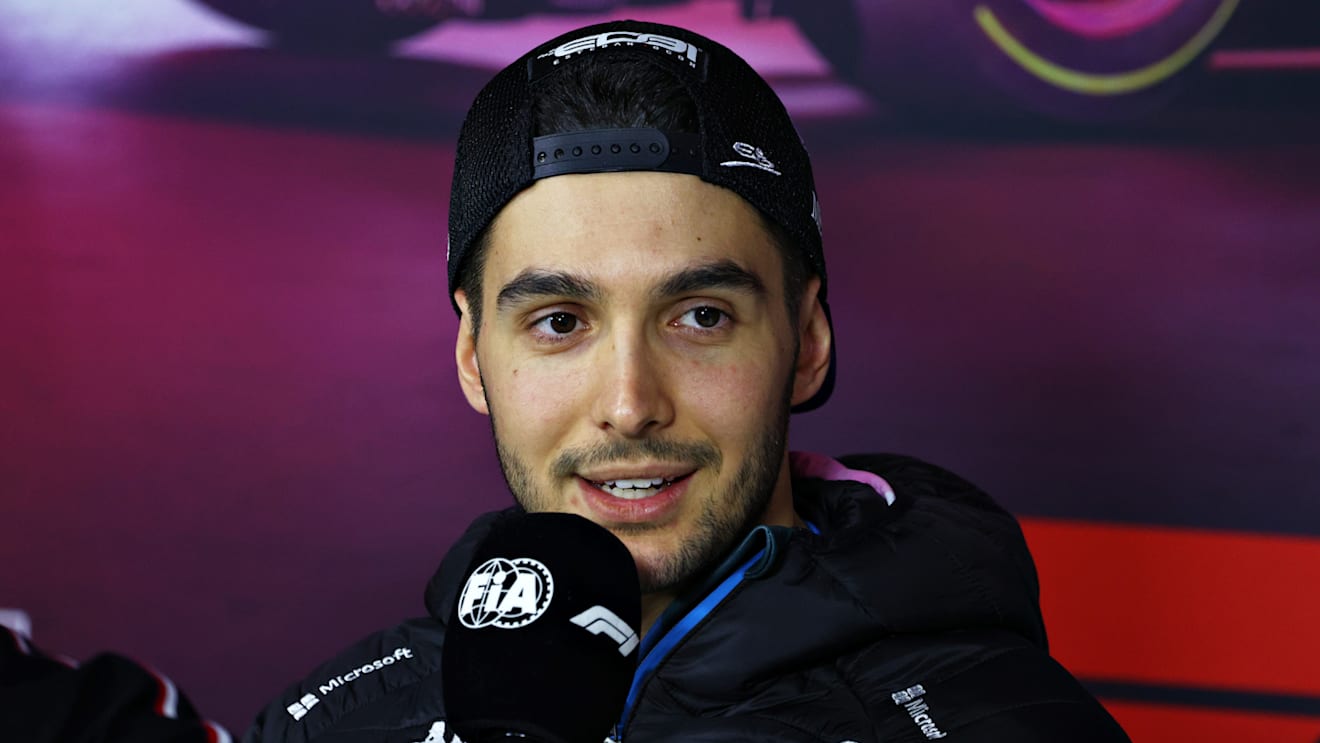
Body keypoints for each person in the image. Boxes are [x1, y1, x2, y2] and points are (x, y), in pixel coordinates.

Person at [242, 19, 1130, 743]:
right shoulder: (340, 714)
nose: (631, 404)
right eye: (560, 322)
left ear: (809, 339)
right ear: (475, 358)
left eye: (699, 315)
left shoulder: (994, 721)